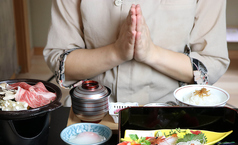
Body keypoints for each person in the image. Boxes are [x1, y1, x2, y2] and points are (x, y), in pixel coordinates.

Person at [44, 0, 230, 105]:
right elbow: (60, 61)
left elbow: (212, 63)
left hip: (173, 112)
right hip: (91, 111)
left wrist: (151, 53)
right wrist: (116, 52)